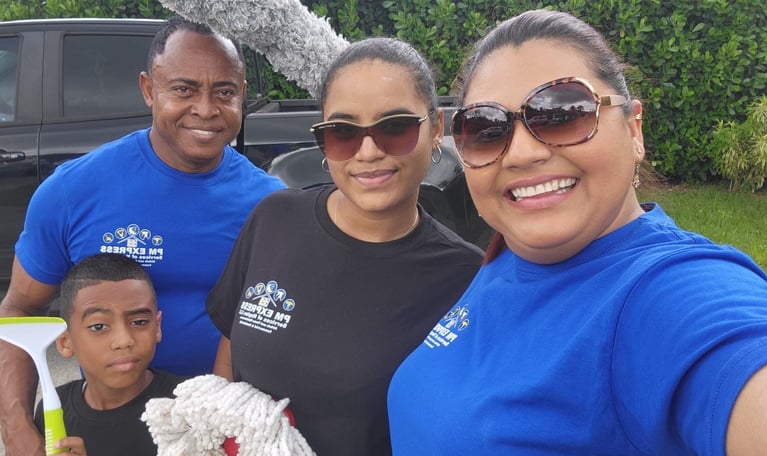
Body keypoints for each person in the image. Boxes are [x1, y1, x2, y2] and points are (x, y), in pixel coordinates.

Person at [388, 9, 767, 455]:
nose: (522, 153)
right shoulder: (513, 255)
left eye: (562, 113)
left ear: (633, 130)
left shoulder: (667, 292)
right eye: (486, 129)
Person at [0, 16, 284, 456]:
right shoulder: (73, 191)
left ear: (242, 95)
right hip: (102, 430)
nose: (206, 109)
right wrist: (17, 429)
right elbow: (19, 309)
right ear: (149, 89)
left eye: (224, 92)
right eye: (184, 90)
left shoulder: (271, 206)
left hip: (223, 433)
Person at [205, 37, 483, 455]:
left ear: (437, 127)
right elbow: (230, 358)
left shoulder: (468, 278)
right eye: (343, 132)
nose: (368, 152)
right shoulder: (274, 218)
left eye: (394, 127)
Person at [32, 253, 184, 456]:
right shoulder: (54, 410)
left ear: (157, 327)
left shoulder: (185, 407)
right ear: (65, 342)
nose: (123, 340)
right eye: (99, 326)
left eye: (139, 322)